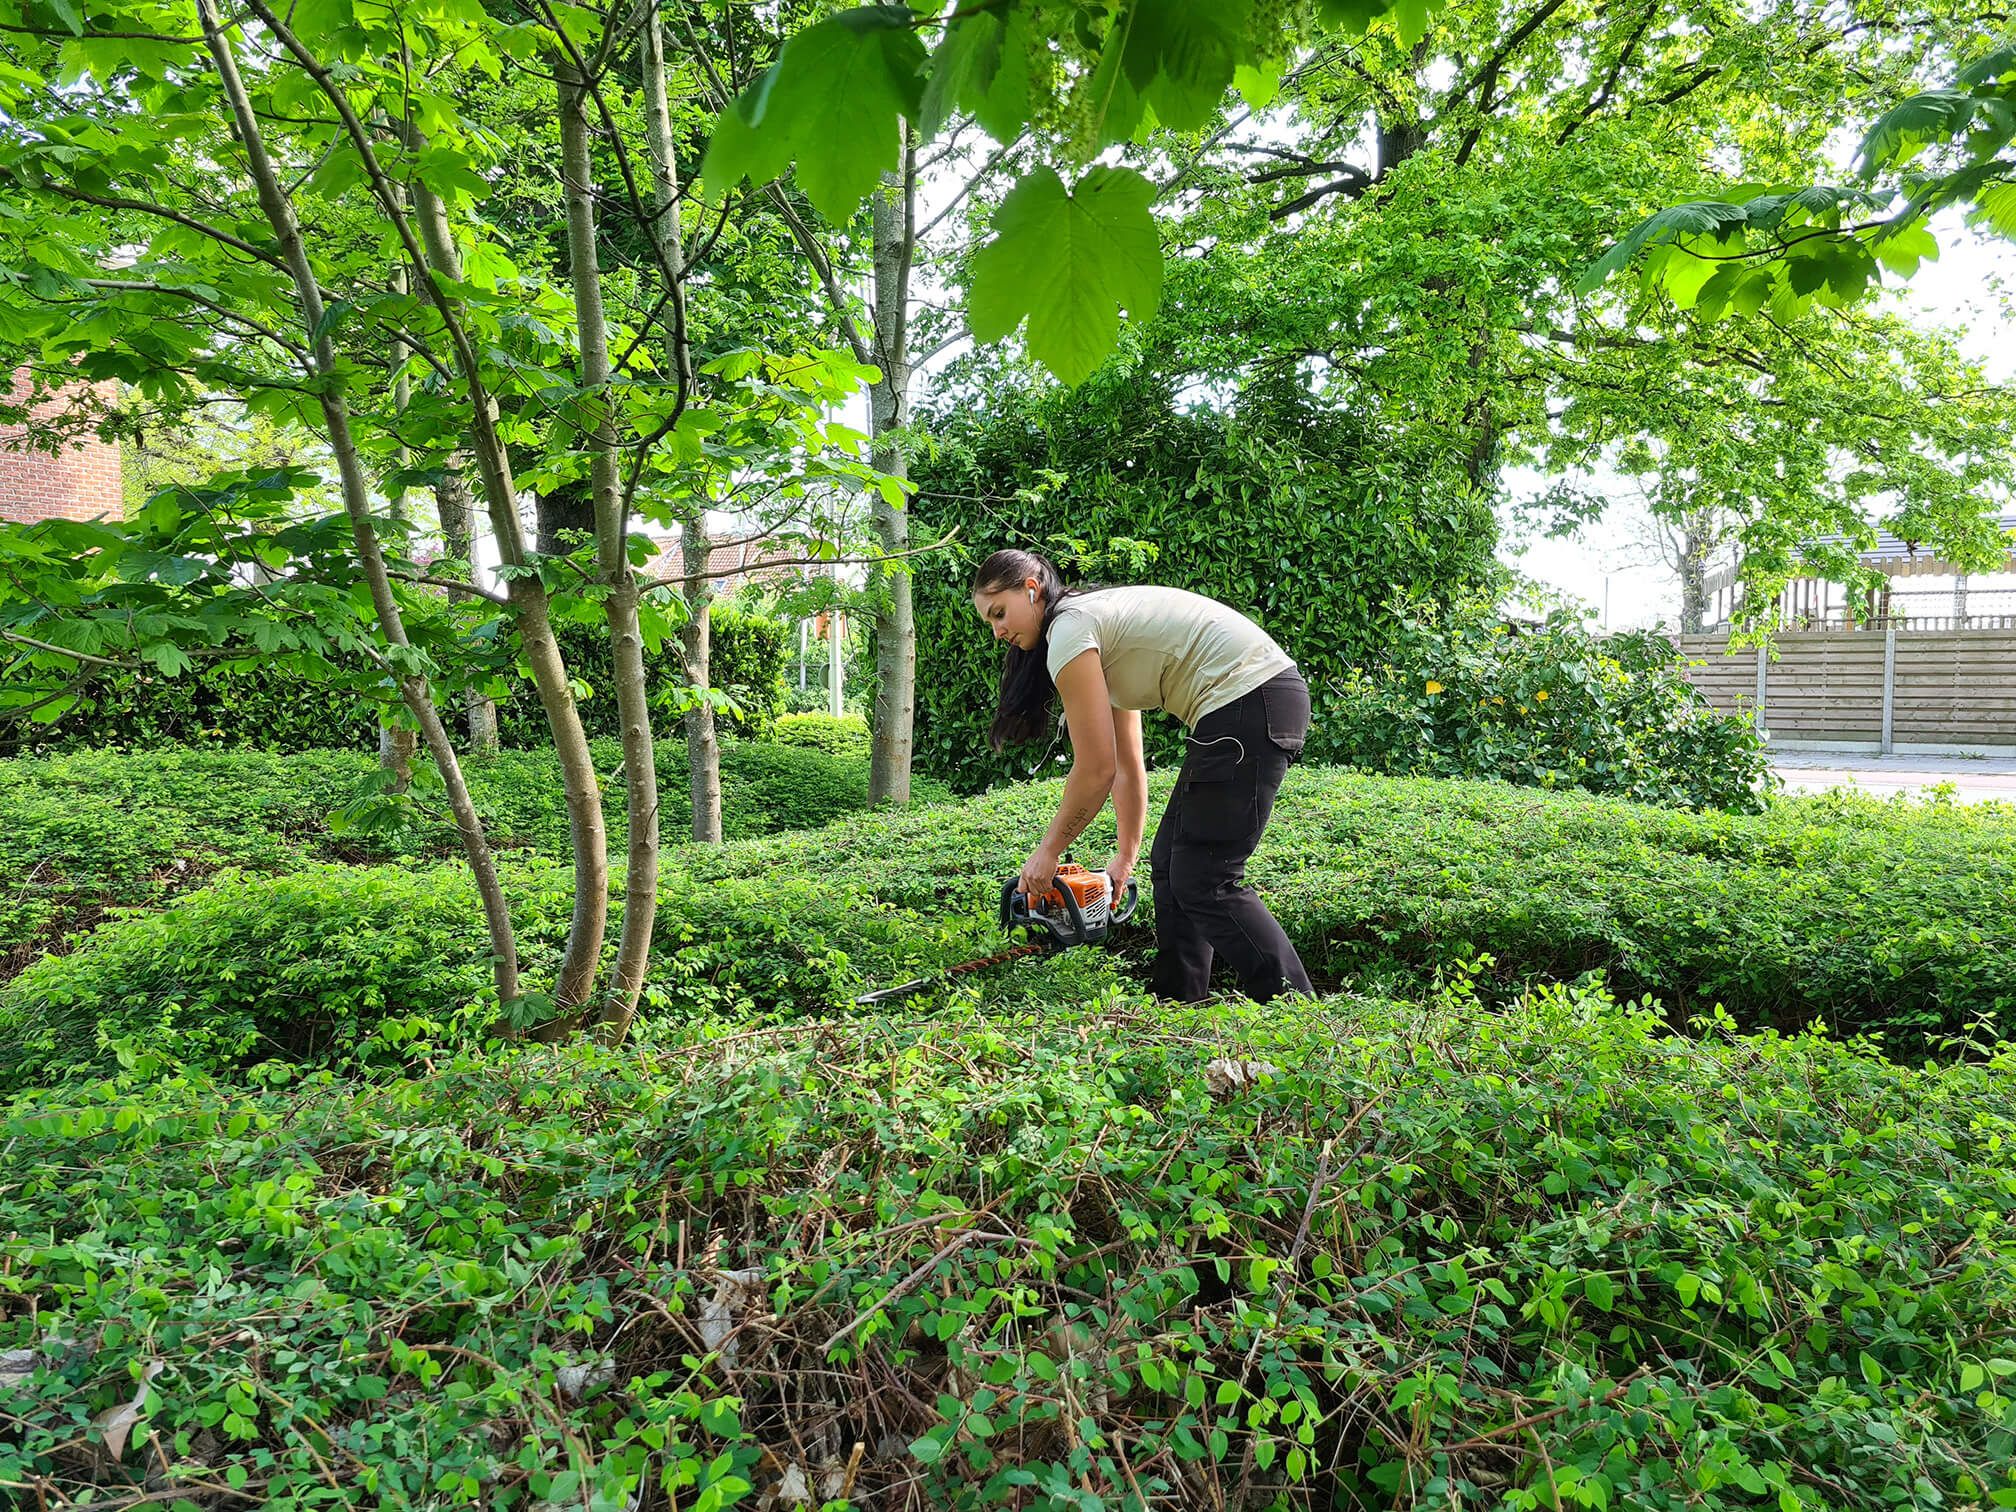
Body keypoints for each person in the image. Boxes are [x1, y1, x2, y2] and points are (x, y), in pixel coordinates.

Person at [970, 548, 1313, 1003]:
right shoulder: (1094, 631)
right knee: (1172, 867)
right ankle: (1178, 1007)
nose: (998, 631)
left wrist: (1048, 853)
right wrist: (1125, 859)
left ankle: (1299, 1010)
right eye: (989, 622)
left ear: (1032, 590)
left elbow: (1094, 769)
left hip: (1248, 701)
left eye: (999, 612)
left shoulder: (1070, 629)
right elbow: (1125, 766)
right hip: (1249, 704)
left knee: (1206, 878)